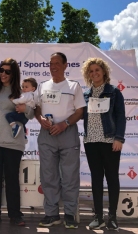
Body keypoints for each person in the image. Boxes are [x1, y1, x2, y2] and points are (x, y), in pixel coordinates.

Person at [34, 52, 86, 229]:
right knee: (48, 176)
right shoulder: (42, 86)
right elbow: (36, 107)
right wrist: (39, 118)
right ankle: (51, 214)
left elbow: (80, 110)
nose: (53, 66)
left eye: (57, 63)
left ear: (65, 65)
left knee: (70, 176)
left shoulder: (74, 86)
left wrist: (65, 124)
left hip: (67, 133)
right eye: (51, 63)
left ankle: (70, 214)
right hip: (47, 134)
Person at [0, 58, 34, 226]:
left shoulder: (21, 92)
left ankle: (15, 215)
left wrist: (24, 108)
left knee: (12, 179)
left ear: (14, 74)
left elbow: (31, 114)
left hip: (13, 142)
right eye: (1, 70)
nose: (3, 74)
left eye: (7, 71)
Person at [81, 58, 126, 231]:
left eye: (97, 70)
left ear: (104, 71)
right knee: (96, 179)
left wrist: (119, 138)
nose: (94, 73)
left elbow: (121, 117)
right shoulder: (86, 94)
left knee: (112, 178)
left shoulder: (114, 92)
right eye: (91, 71)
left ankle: (112, 217)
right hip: (91, 142)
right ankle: (98, 217)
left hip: (109, 141)